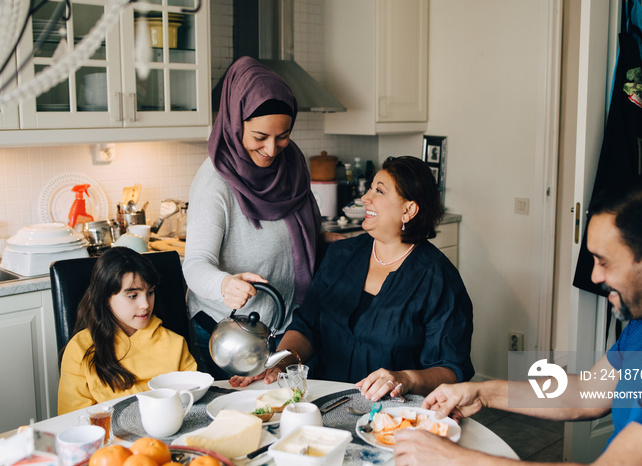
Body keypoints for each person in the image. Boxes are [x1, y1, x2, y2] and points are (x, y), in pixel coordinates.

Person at [393, 174, 642, 465]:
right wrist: (483, 391)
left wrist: (455, 458)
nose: (595, 276)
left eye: (604, 261)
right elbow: (586, 394)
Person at [230, 156, 474, 399]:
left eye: (379, 191)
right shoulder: (341, 254)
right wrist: (278, 362)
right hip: (321, 402)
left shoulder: (439, 279)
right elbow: (306, 327)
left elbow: (451, 370)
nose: (365, 197)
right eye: (370, 188)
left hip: (390, 415)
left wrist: (406, 378)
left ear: (408, 210)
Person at [183, 56, 326, 379]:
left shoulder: (292, 166)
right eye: (260, 137)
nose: (272, 149)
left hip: (286, 329)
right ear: (236, 123)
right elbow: (194, 264)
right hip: (229, 339)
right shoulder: (215, 182)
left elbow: (302, 234)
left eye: (283, 135)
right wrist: (224, 283)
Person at [57, 247, 197, 414]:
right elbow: (72, 419)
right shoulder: (80, 349)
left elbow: (194, 401)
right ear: (104, 297)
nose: (145, 304)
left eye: (150, 292)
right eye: (132, 295)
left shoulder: (175, 343)